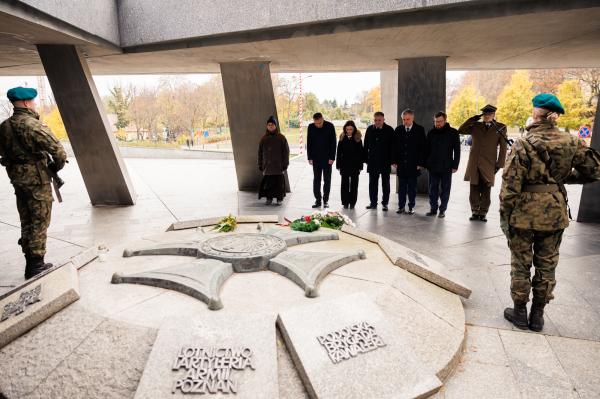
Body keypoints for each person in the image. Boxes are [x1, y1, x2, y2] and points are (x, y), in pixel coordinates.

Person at [501, 93, 600, 332]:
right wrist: (560, 181)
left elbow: (510, 186)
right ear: (554, 115)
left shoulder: (523, 143)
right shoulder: (571, 141)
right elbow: (594, 170)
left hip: (523, 214)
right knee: (547, 264)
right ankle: (538, 315)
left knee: (521, 263)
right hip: (554, 213)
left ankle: (520, 312)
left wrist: (505, 217)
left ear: (536, 113)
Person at [0, 86, 67, 279]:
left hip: (17, 181)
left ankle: (30, 260)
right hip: (37, 181)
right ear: (27, 103)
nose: (35, 104)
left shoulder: (4, 126)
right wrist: (55, 168)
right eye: (34, 102)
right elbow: (59, 153)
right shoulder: (32, 125)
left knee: (26, 219)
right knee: (40, 220)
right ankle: (36, 265)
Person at [459, 104, 508, 222]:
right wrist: (473, 119)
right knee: (474, 188)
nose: (487, 116)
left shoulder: (500, 127)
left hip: (489, 163)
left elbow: (503, 147)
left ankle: (483, 212)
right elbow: (461, 130)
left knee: (486, 189)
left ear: (494, 115)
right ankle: (475, 211)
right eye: (485, 114)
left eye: (489, 114)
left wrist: (499, 164)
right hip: (474, 162)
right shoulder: (475, 125)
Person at [424, 111, 460, 218]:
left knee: (445, 189)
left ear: (445, 120)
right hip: (433, 166)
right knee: (432, 189)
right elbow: (426, 150)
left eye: (440, 121)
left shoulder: (453, 132)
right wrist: (426, 163)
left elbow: (457, 150)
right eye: (436, 122)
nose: (438, 124)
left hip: (447, 166)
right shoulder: (431, 133)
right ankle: (433, 209)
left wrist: (455, 165)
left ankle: (442, 210)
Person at [392, 109, 426, 215]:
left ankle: (411, 207)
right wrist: (394, 161)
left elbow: (423, 148)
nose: (405, 121)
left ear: (412, 118)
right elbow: (393, 147)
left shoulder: (419, 130)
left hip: (414, 165)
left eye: (407, 119)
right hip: (401, 164)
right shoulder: (398, 129)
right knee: (401, 187)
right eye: (403, 119)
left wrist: (420, 163)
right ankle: (401, 207)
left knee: (412, 188)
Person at [363, 111, 395, 211]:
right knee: (372, 183)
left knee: (385, 184)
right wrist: (366, 159)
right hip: (372, 161)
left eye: (379, 120)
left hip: (385, 161)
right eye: (375, 120)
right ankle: (373, 203)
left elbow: (392, 147)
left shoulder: (389, 130)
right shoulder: (369, 129)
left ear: (383, 120)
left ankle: (385, 203)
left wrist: (392, 161)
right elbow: (366, 145)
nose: (377, 122)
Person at [258, 116, 289, 205]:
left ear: (276, 126)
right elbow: (259, 152)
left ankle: (279, 199)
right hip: (267, 167)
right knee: (268, 184)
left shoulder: (281, 138)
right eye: (269, 125)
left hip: (278, 166)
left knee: (278, 184)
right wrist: (260, 164)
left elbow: (286, 152)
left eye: (272, 125)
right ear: (267, 126)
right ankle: (269, 198)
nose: (270, 126)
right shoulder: (263, 139)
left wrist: (285, 164)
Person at [307, 112, 336, 208]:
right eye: (316, 123)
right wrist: (309, 157)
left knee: (327, 180)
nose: (318, 125)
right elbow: (309, 142)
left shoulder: (330, 126)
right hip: (315, 158)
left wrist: (332, 157)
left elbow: (333, 143)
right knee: (316, 180)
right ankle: (318, 200)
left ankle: (326, 200)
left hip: (327, 159)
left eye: (320, 123)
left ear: (323, 119)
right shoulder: (311, 127)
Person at [336, 120, 363, 209]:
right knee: (344, 184)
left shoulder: (358, 139)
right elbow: (339, 152)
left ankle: (352, 202)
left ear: (354, 129)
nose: (349, 131)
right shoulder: (342, 138)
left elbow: (361, 153)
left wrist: (360, 166)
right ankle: (345, 202)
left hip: (355, 165)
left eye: (351, 129)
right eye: (347, 129)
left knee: (354, 185)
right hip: (344, 165)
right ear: (345, 129)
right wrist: (338, 165)